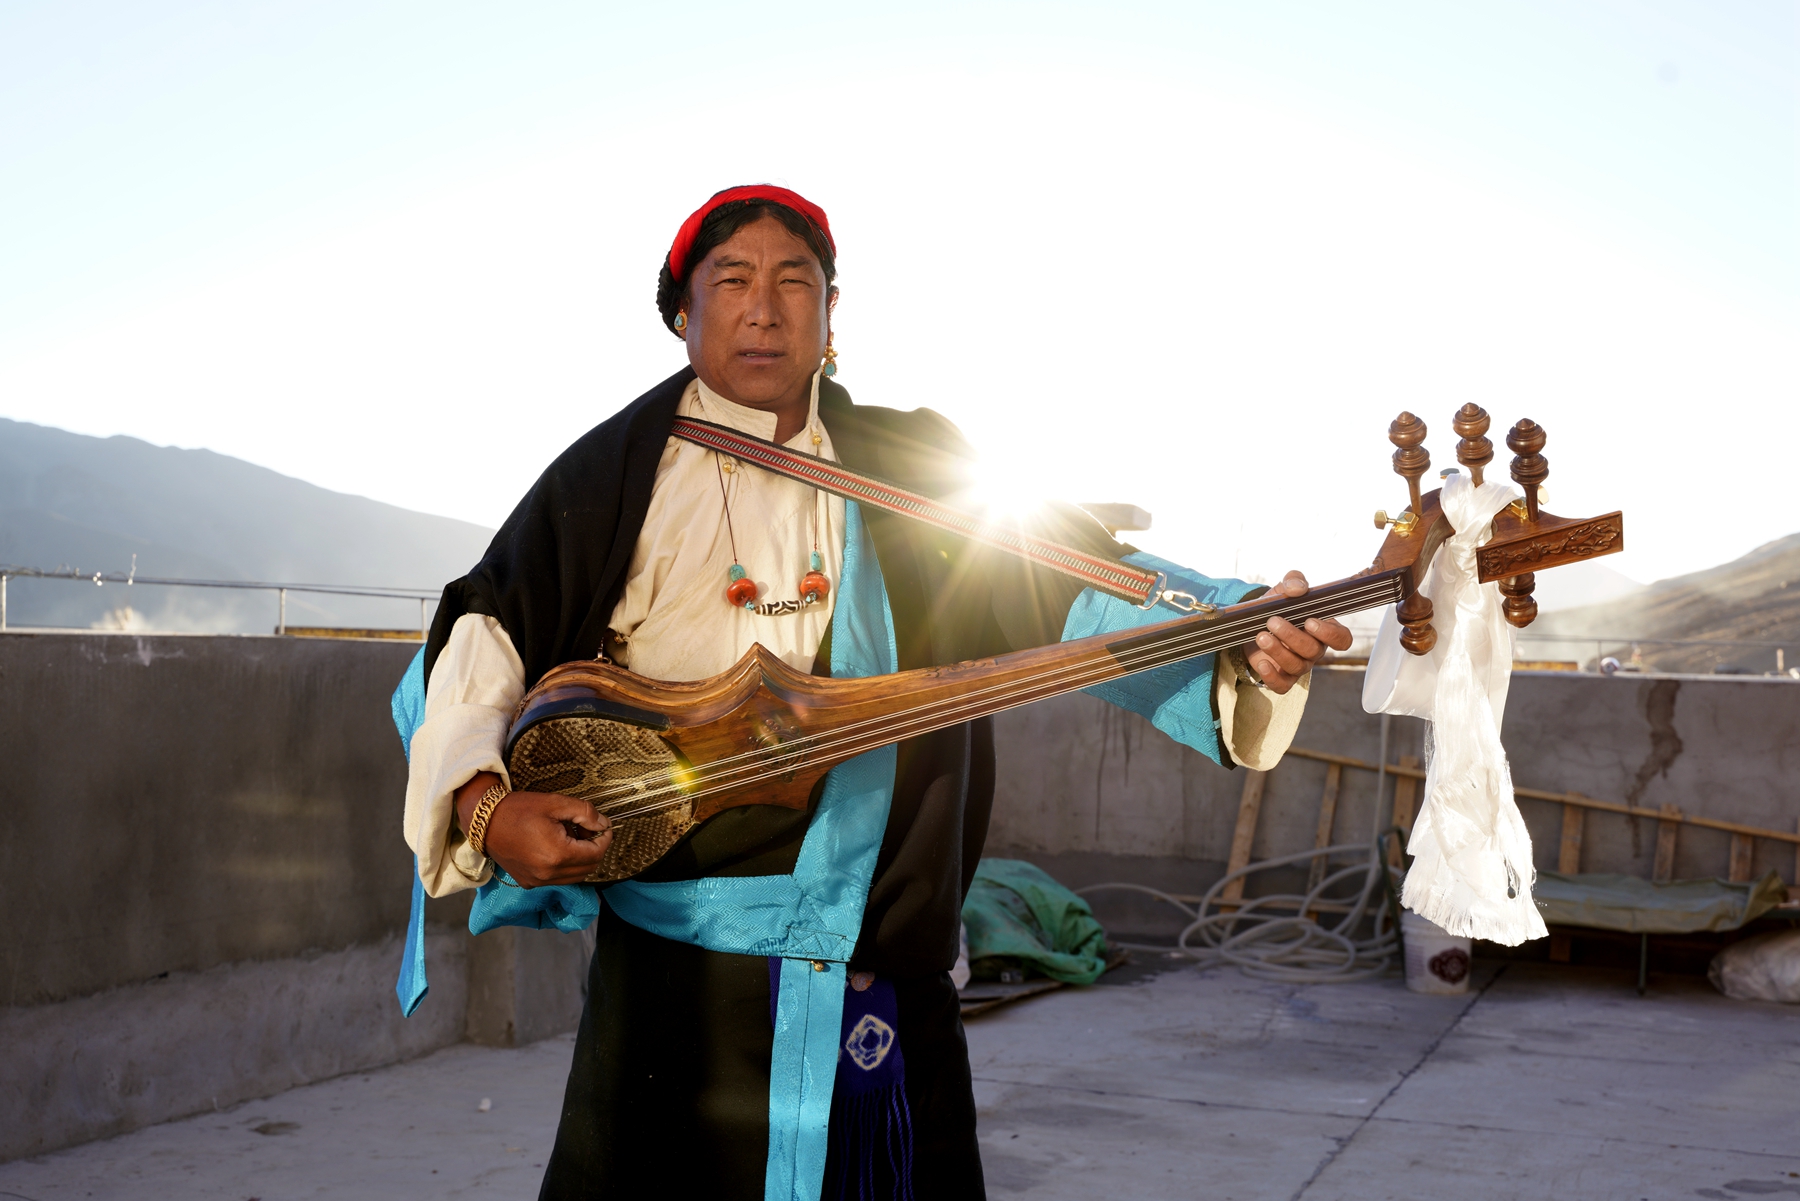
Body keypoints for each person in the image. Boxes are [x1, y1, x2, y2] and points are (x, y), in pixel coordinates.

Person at [400, 185, 1351, 1200]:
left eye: (793, 282)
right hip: (679, 989)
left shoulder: (911, 467)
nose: (764, 309)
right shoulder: (608, 478)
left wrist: (1237, 634)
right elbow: (478, 639)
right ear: (683, 313)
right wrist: (486, 807)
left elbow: (1068, 581)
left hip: (884, 973)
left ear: (831, 313)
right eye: (732, 280)